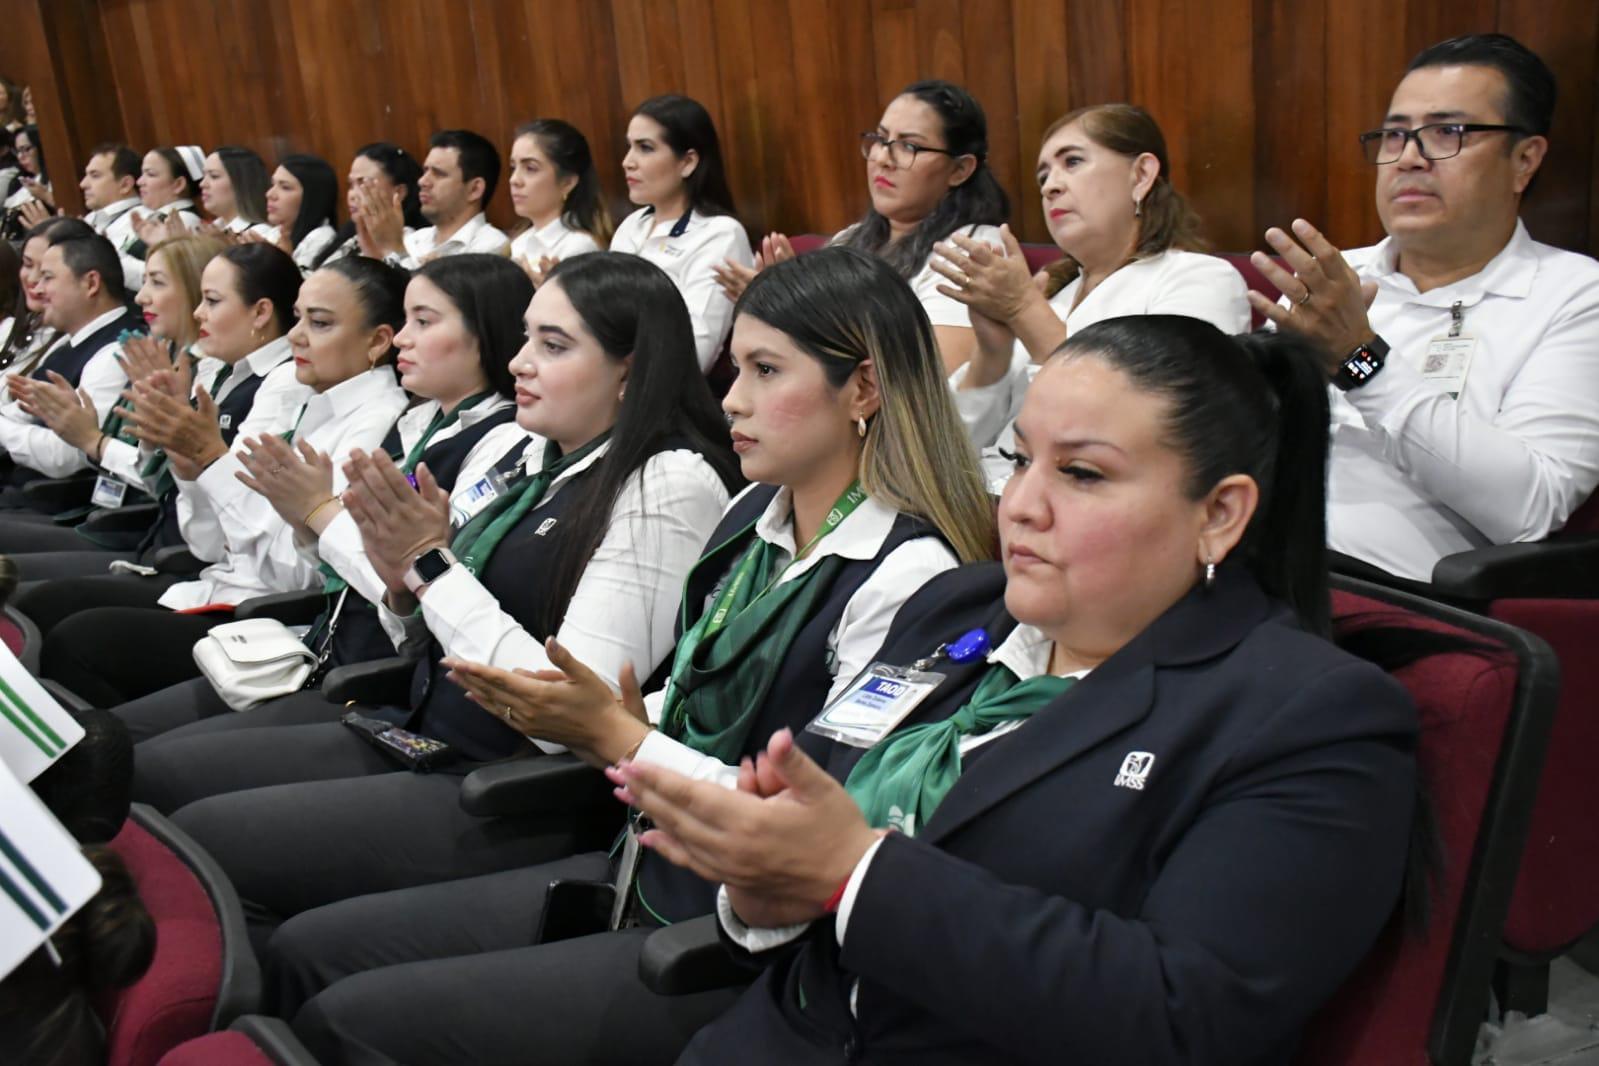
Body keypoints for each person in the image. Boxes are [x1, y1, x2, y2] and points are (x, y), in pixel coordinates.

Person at [256, 247, 999, 1065]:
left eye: (763, 371)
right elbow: (680, 700)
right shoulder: (758, 514)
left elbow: (817, 829)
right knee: (310, 952)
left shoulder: (907, 574)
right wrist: (636, 723)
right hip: (634, 863)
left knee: (351, 1013)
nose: (733, 398)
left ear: (861, 389)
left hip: (733, 938)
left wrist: (617, 735)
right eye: (736, 367)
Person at [612, 316, 1417, 1065]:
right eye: (1017, 459)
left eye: (1081, 473)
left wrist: (853, 872)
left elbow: (1183, 1011)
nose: (1022, 505)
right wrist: (765, 890)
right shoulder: (960, 606)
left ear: (1218, 514)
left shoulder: (1306, 714)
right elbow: (813, 809)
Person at [136, 251, 742, 926]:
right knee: (167, 786)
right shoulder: (540, 460)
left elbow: (558, 708)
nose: (519, 362)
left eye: (553, 345)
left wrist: (424, 565)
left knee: (211, 840)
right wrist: (403, 581)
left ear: (628, 368)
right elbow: (424, 626)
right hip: (419, 730)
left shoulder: (668, 482)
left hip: (505, 788)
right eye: (525, 339)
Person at [107, 254, 531, 741]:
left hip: (356, 667)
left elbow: (378, 584)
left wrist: (307, 511)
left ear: (486, 331)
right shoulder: (413, 422)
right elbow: (223, 544)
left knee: (131, 722)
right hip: (311, 640)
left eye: (423, 322)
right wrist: (196, 469)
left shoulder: (476, 438)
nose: (403, 338)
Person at [1250, 33, 1599, 582]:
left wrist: (1359, 360)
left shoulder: (1577, 296)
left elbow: (1527, 508)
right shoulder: (1335, 276)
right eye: (1394, 135)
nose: (1409, 158)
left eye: (1447, 132)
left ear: (1524, 161)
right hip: (1245, 569)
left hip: (1387, 608)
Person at [33, 255, 407, 706]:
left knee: (78, 641)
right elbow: (210, 545)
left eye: (320, 323)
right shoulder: (311, 398)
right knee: (55, 615)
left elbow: (296, 574)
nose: (296, 336)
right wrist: (192, 470)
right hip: (219, 583)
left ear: (378, 340)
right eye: (300, 318)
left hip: (265, 620)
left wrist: (210, 458)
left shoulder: (374, 422)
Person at [936, 103, 1250, 489]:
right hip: (987, 500)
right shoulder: (1051, 294)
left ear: (1141, 175)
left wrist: (1025, 312)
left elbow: (1171, 426)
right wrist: (992, 351)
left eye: (1072, 162)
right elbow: (952, 443)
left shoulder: (1199, 279)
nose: (1050, 185)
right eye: (1043, 176)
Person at [714, 80, 1010, 376]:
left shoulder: (972, 252)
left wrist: (792, 314)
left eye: (909, 146)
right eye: (881, 140)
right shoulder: (850, 238)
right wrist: (777, 306)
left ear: (960, 170)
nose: (882, 158)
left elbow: (931, 381)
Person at [0, 232, 231, 567]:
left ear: (193, 290)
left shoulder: (203, 377)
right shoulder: (162, 356)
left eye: (157, 283)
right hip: (114, 518)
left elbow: (163, 480)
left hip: (150, 536)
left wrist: (92, 439)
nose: (142, 297)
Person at [611, 95, 752, 373]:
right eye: (629, 147)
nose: (628, 162)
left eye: (645, 148)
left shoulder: (720, 234)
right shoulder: (631, 225)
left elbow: (696, 353)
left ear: (687, 162)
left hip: (662, 390)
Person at [0, 230, 140, 497]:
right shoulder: (68, 344)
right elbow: (15, 415)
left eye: (48, 278)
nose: (38, 289)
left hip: (55, 502)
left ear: (90, 284)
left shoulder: (118, 350)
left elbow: (66, 456)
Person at [360, 129, 509, 267]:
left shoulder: (492, 245)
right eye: (425, 171)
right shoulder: (414, 239)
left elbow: (421, 295)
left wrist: (397, 250)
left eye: (438, 173)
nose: (422, 181)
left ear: (474, 189)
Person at [507, 118, 610, 283]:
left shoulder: (579, 246)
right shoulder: (519, 242)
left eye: (530, 168)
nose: (514, 180)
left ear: (567, 182)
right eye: (513, 167)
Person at [315, 142, 425, 268]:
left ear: (399, 192)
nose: (352, 195)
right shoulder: (350, 236)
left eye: (363, 184)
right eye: (351, 185)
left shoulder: (414, 242)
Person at [258, 153, 339, 272]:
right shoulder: (275, 233)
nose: (270, 194)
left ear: (311, 197)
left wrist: (285, 262)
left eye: (285, 187)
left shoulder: (323, 238)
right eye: (272, 184)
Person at [77, 143, 143, 252]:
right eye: (86, 175)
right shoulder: (89, 219)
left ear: (125, 185)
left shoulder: (145, 221)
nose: (83, 184)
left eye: (95, 176)